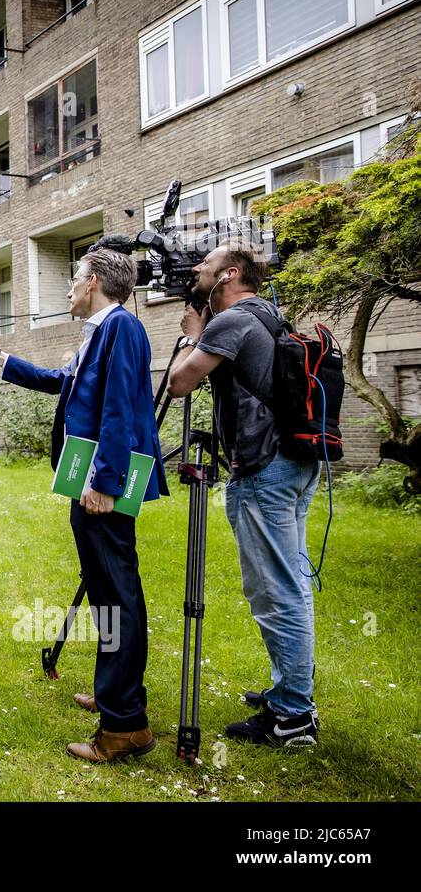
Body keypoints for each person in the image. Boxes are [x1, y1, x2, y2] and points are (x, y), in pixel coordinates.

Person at [0, 249, 168, 762]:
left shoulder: (121, 328)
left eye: (74, 279)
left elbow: (121, 406)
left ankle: (124, 726)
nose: (69, 288)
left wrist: (104, 481)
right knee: (107, 591)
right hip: (95, 482)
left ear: (94, 281)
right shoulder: (102, 331)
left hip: (103, 486)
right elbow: (62, 384)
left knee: (117, 594)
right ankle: (113, 695)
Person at [167, 239, 321, 748]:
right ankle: (288, 691)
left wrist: (192, 336)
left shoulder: (231, 321)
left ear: (230, 274)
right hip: (294, 464)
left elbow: (180, 384)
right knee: (291, 581)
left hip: (265, 469)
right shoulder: (271, 315)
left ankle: (294, 718)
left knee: (275, 590)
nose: (196, 275)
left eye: (205, 268)